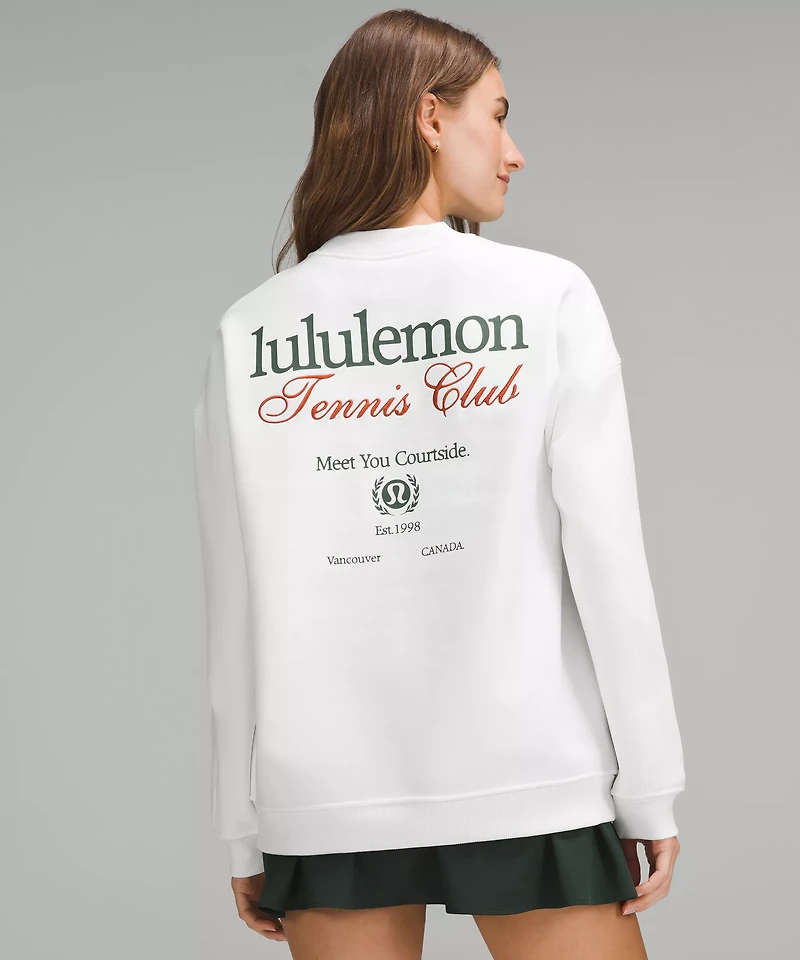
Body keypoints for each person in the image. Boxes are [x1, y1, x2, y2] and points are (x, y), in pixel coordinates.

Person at [192, 9, 685, 959]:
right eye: (496, 117)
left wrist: (242, 825)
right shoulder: (547, 295)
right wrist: (650, 786)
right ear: (430, 116)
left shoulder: (250, 329)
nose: (514, 152)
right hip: (529, 767)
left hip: (325, 789)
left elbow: (233, 596)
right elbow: (609, 560)